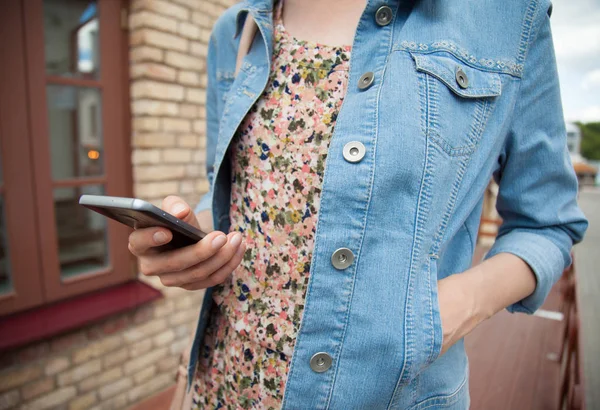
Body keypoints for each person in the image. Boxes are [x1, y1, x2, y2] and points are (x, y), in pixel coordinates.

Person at [127, 0, 588, 408]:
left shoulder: (507, 16)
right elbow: (231, 198)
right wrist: (188, 239)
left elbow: (547, 223)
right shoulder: (236, 30)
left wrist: (449, 310)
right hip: (221, 384)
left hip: (389, 395)